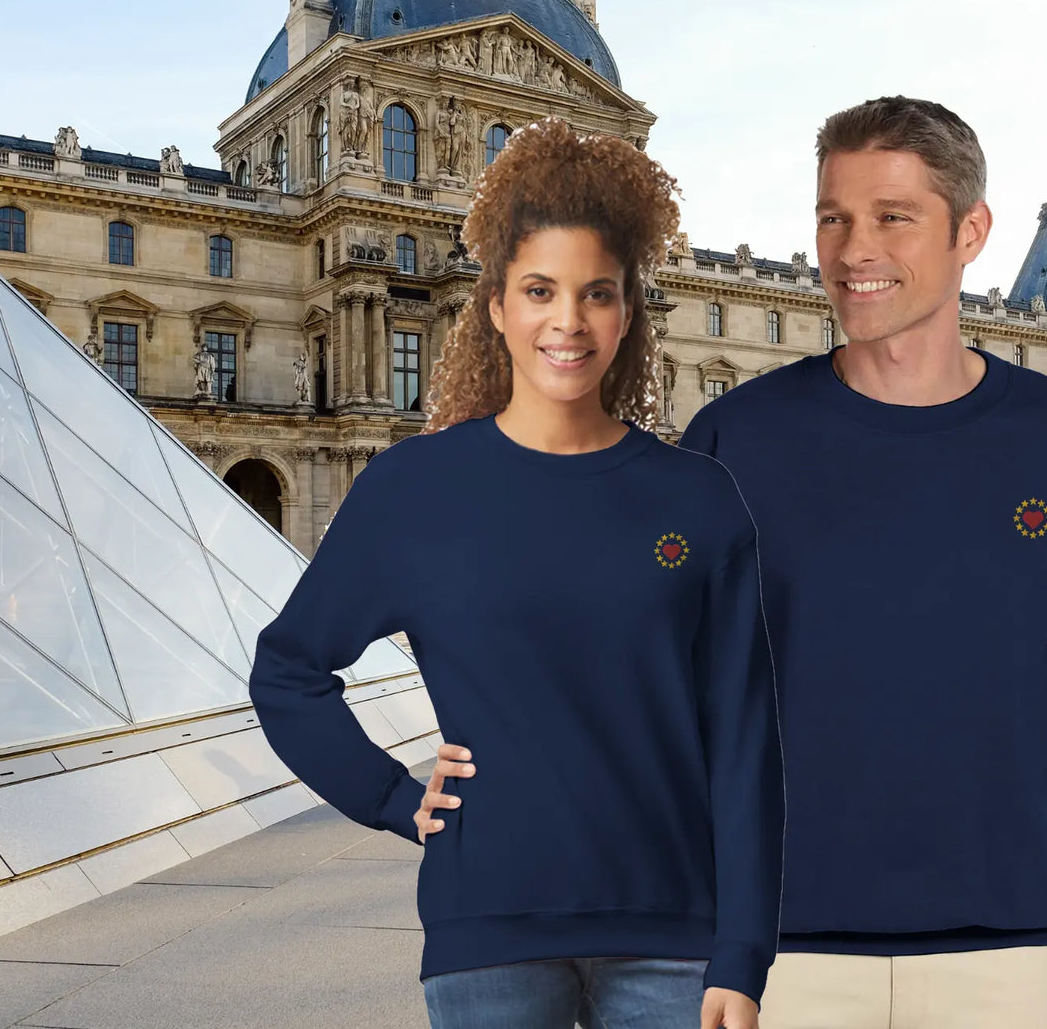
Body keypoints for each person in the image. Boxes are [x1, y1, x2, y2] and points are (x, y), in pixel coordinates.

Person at [249, 118, 784, 1029]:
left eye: (597, 293)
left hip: (675, 934)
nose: (567, 321)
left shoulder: (699, 500)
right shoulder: (415, 491)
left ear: (628, 313)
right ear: (495, 306)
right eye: (540, 290)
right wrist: (389, 796)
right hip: (485, 926)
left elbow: (745, 741)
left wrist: (744, 952)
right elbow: (289, 670)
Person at [677, 97, 1047, 1029]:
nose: (852, 248)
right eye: (833, 217)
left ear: (972, 232)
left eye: (892, 217)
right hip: (774, 964)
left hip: (1003, 962)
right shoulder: (731, 442)